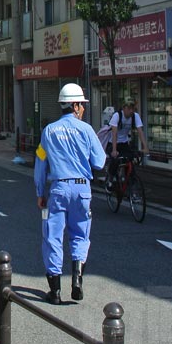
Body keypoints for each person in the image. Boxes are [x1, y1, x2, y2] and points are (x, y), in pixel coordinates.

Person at [34, 83, 106, 304]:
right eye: (82, 105)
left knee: (53, 236)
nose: (83, 109)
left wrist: (40, 192)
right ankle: (77, 280)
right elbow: (100, 162)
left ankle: (55, 290)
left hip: (58, 188)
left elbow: (40, 162)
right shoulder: (86, 130)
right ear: (75, 106)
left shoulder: (48, 131)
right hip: (82, 189)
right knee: (80, 235)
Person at [106, 98, 148, 187]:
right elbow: (114, 133)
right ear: (123, 108)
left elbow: (140, 131)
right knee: (115, 160)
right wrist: (114, 150)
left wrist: (145, 147)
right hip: (113, 143)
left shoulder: (135, 116)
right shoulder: (117, 116)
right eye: (129, 108)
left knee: (130, 161)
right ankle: (111, 178)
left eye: (133, 108)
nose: (131, 111)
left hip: (124, 143)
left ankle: (131, 185)